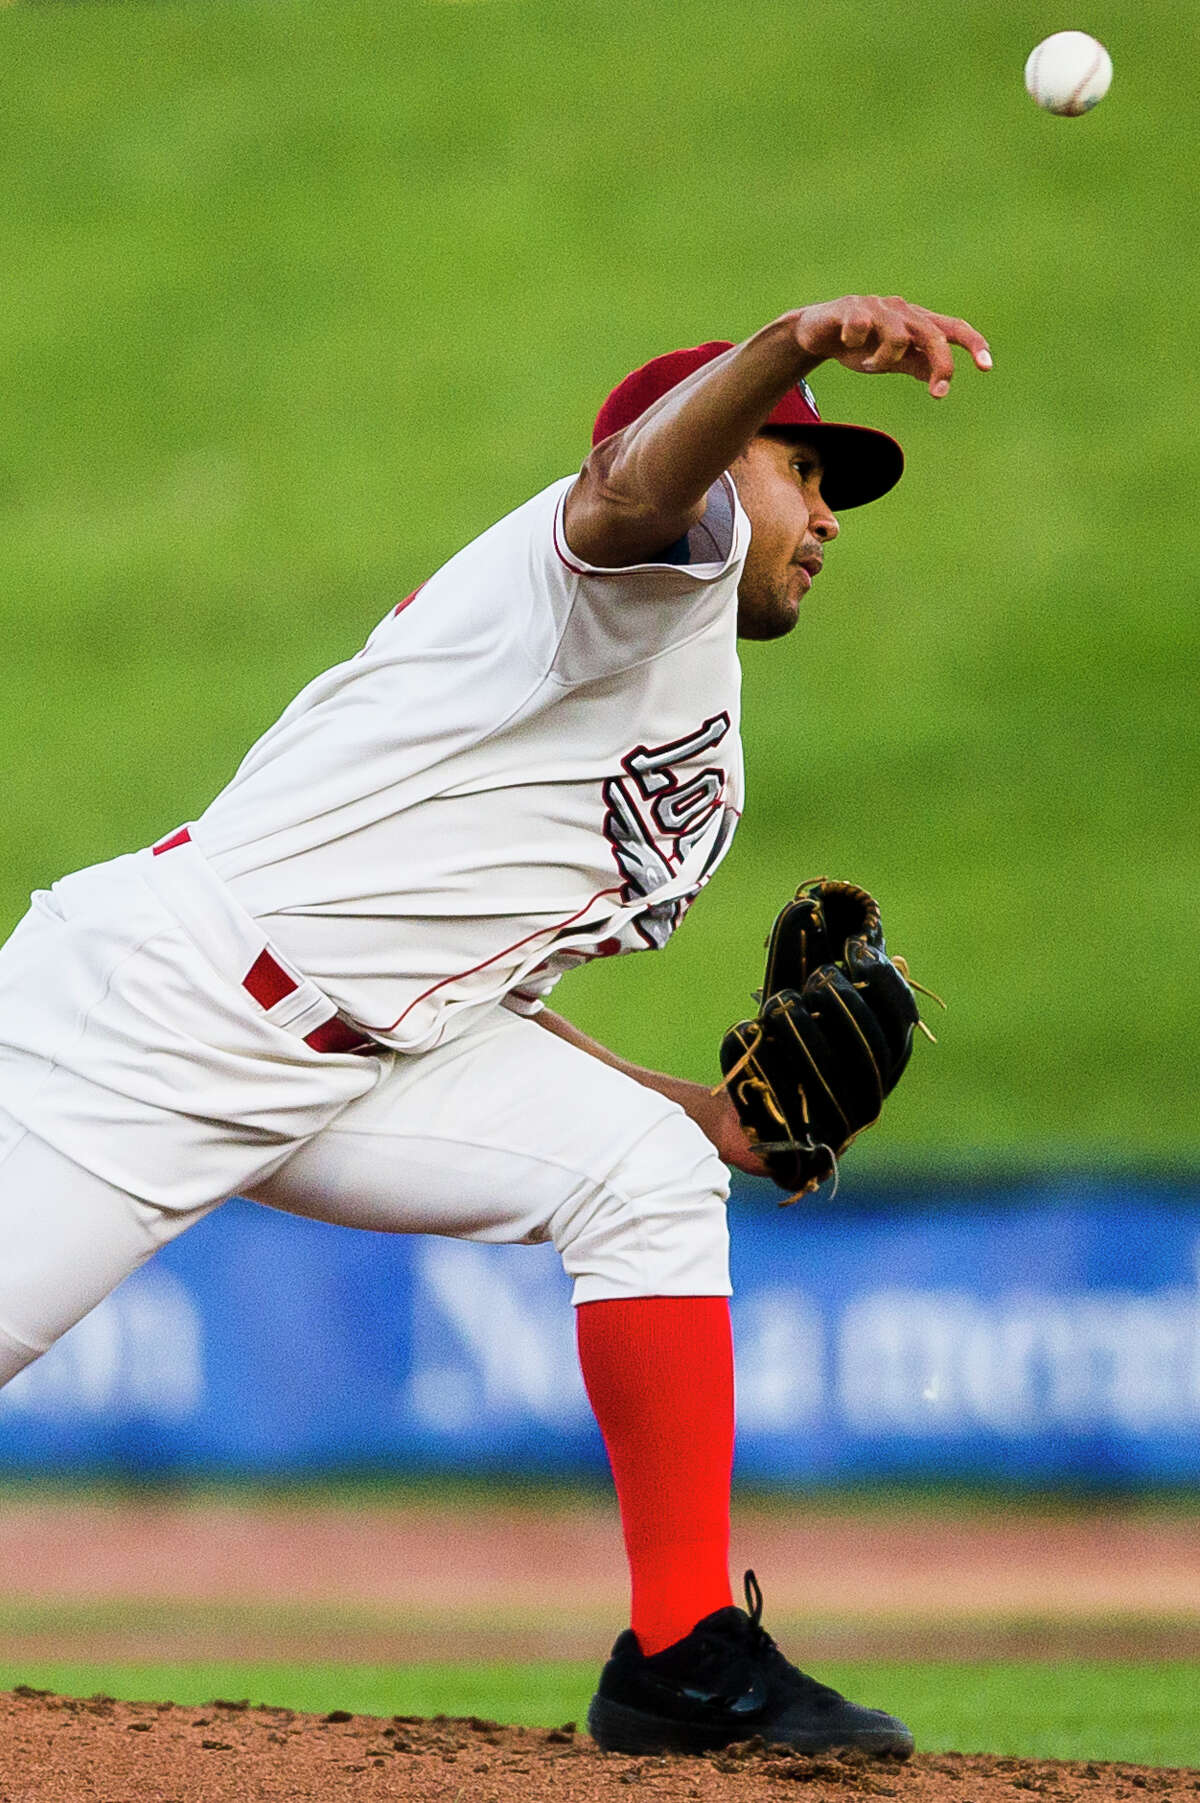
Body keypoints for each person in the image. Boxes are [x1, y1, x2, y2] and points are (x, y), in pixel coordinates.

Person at [0, 294, 990, 1757]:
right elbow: (626, 488)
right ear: (722, 465)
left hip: (363, 1055)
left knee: (644, 1179)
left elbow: (484, 995)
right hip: (164, 1015)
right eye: (807, 470)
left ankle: (680, 1654)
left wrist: (707, 1119)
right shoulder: (624, 560)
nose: (827, 516)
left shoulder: (689, 701)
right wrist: (788, 349)